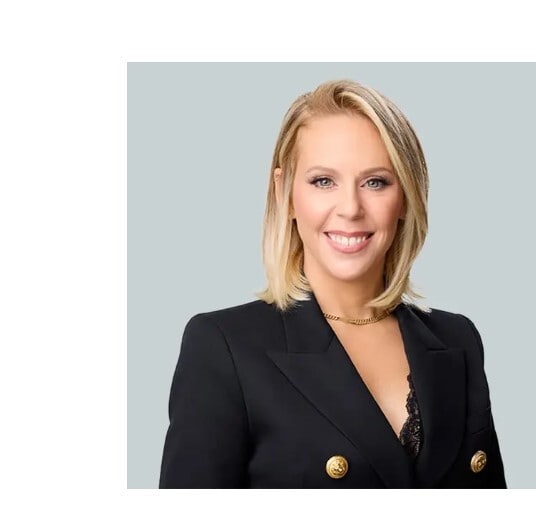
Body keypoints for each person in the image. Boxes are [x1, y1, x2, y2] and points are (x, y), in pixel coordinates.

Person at [158, 79, 507, 488]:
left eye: (375, 181)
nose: (350, 208)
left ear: (406, 196)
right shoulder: (223, 346)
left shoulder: (458, 339)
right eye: (323, 181)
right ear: (285, 192)